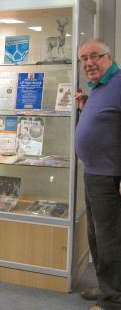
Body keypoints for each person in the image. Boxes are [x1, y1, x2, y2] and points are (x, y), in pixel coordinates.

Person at [75, 39, 121, 310]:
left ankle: (112, 300)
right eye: (83, 59)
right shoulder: (100, 87)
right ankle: (107, 287)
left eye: (94, 56)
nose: (88, 63)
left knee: (110, 238)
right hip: (93, 172)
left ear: (109, 57)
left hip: (110, 176)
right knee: (95, 236)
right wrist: (85, 108)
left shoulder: (118, 84)